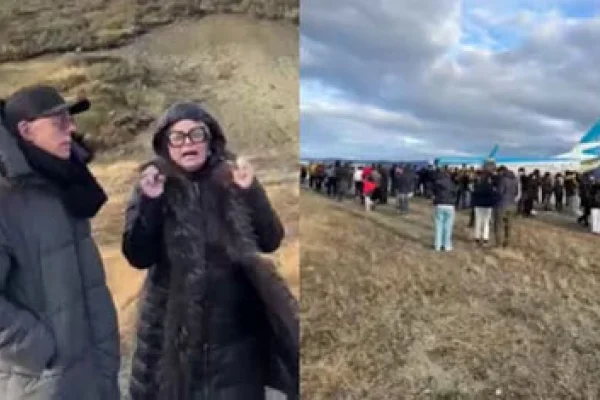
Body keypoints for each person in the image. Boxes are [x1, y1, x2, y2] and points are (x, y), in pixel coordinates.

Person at [122, 102, 299, 400]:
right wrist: (150, 204)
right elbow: (138, 256)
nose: (187, 143)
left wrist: (251, 192)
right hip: (170, 335)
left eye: (196, 134)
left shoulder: (233, 179)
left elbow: (271, 240)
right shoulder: (153, 186)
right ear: (165, 145)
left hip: (235, 339)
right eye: (177, 137)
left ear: (211, 140)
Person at [0, 86, 120, 399]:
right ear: (26, 130)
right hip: (43, 383)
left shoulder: (65, 183)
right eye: (59, 121)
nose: (72, 129)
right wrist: (40, 351)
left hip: (95, 373)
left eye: (71, 119)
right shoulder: (6, 199)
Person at [432, 169, 458, 252]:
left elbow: (433, 193)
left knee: (438, 226)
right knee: (448, 227)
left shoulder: (437, 183)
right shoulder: (452, 184)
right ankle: (447, 245)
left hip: (439, 204)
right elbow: (455, 193)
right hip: (450, 205)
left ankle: (437, 245)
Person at [494, 166, 519, 248]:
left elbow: (499, 192)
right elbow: (516, 193)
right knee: (509, 225)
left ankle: (498, 244)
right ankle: (507, 242)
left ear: (501, 171)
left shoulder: (503, 179)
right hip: (512, 205)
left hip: (502, 205)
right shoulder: (515, 180)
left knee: (498, 224)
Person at [472, 168, 496, 245]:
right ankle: (485, 238)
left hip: (478, 205)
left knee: (478, 221)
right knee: (486, 222)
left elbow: (474, 194)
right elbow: (493, 196)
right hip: (488, 206)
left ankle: (477, 237)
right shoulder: (491, 186)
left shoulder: (477, 185)